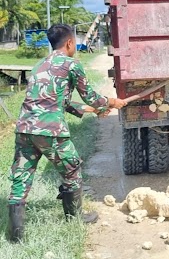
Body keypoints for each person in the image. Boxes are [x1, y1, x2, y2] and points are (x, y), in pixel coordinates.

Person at [7, 24, 127, 243]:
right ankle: (74, 217)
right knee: (72, 169)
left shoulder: (39, 65)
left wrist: (92, 110)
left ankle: (14, 233)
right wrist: (111, 102)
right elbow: (90, 96)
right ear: (70, 43)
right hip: (51, 130)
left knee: (21, 177)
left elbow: (56, 100)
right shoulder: (71, 64)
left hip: (24, 128)